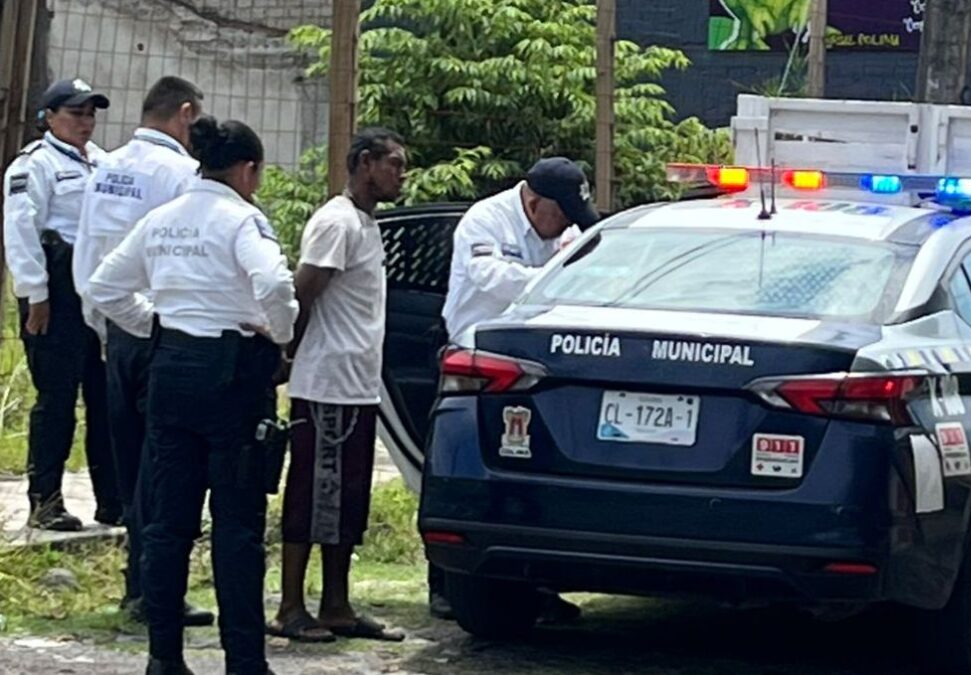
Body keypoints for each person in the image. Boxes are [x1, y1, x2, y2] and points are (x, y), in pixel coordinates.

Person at [87, 116, 297, 675]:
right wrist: (279, 333)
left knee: (168, 524)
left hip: (171, 372)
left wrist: (155, 324)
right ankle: (244, 662)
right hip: (232, 379)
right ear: (248, 170)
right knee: (237, 526)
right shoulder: (243, 219)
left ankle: (164, 658)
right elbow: (275, 284)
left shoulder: (162, 219)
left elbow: (105, 286)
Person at [73, 76, 213, 627]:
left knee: (130, 460)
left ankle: (138, 585)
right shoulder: (182, 174)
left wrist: (106, 327)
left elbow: (89, 255)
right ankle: (157, 591)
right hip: (163, 332)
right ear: (185, 114)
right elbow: (189, 260)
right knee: (168, 466)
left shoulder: (105, 168)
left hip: (116, 331)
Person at [435, 156, 600, 620]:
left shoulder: (564, 229)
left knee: (535, 481)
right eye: (561, 212)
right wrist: (556, 280)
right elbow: (491, 278)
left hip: (541, 366)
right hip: (478, 364)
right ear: (533, 201)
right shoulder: (486, 220)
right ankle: (447, 584)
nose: (566, 223)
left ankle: (536, 589)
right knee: (461, 472)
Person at [267, 128, 408, 644]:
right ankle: (289, 606)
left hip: (357, 383)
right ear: (365, 162)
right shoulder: (336, 221)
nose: (401, 176)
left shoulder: (367, 224)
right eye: (394, 164)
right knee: (311, 493)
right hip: (327, 382)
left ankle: (336, 604)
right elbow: (303, 293)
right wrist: (286, 354)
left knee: (346, 499)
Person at [1, 78, 120, 531]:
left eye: (90, 114)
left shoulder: (104, 163)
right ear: (49, 117)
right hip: (56, 291)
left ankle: (112, 500)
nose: (85, 122)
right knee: (57, 399)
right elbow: (22, 233)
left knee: (106, 398)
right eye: (75, 113)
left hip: (99, 291)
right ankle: (45, 501)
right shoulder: (34, 165)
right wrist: (36, 295)